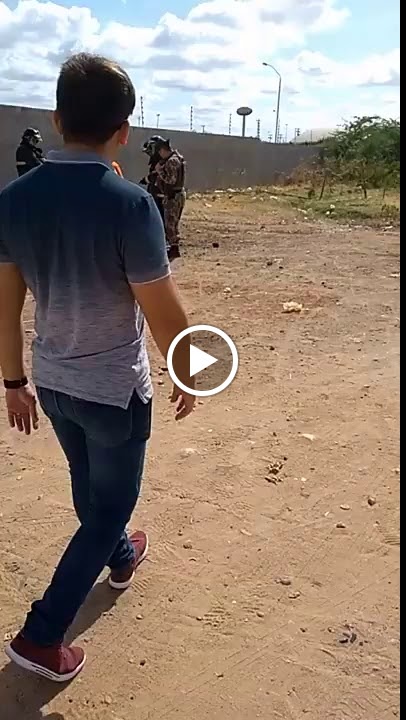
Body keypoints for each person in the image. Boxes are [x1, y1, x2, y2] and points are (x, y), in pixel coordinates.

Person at [0, 52, 195, 683]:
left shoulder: (13, 200)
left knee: (90, 485)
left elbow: (6, 306)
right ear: (125, 130)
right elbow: (162, 311)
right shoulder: (131, 204)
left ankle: (120, 555)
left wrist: (12, 382)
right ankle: (41, 635)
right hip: (112, 391)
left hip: (53, 383)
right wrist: (186, 370)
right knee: (109, 504)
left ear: (57, 120)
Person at [154, 138, 186, 261]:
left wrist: (160, 171)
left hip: (173, 196)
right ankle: (173, 247)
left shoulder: (172, 161)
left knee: (170, 223)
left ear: (163, 150)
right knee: (173, 222)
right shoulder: (177, 158)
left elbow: (171, 180)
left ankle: (174, 248)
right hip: (177, 194)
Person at [139, 136, 165, 224]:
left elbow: (156, 176)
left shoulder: (162, 161)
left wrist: (146, 179)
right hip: (155, 193)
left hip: (161, 195)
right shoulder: (156, 160)